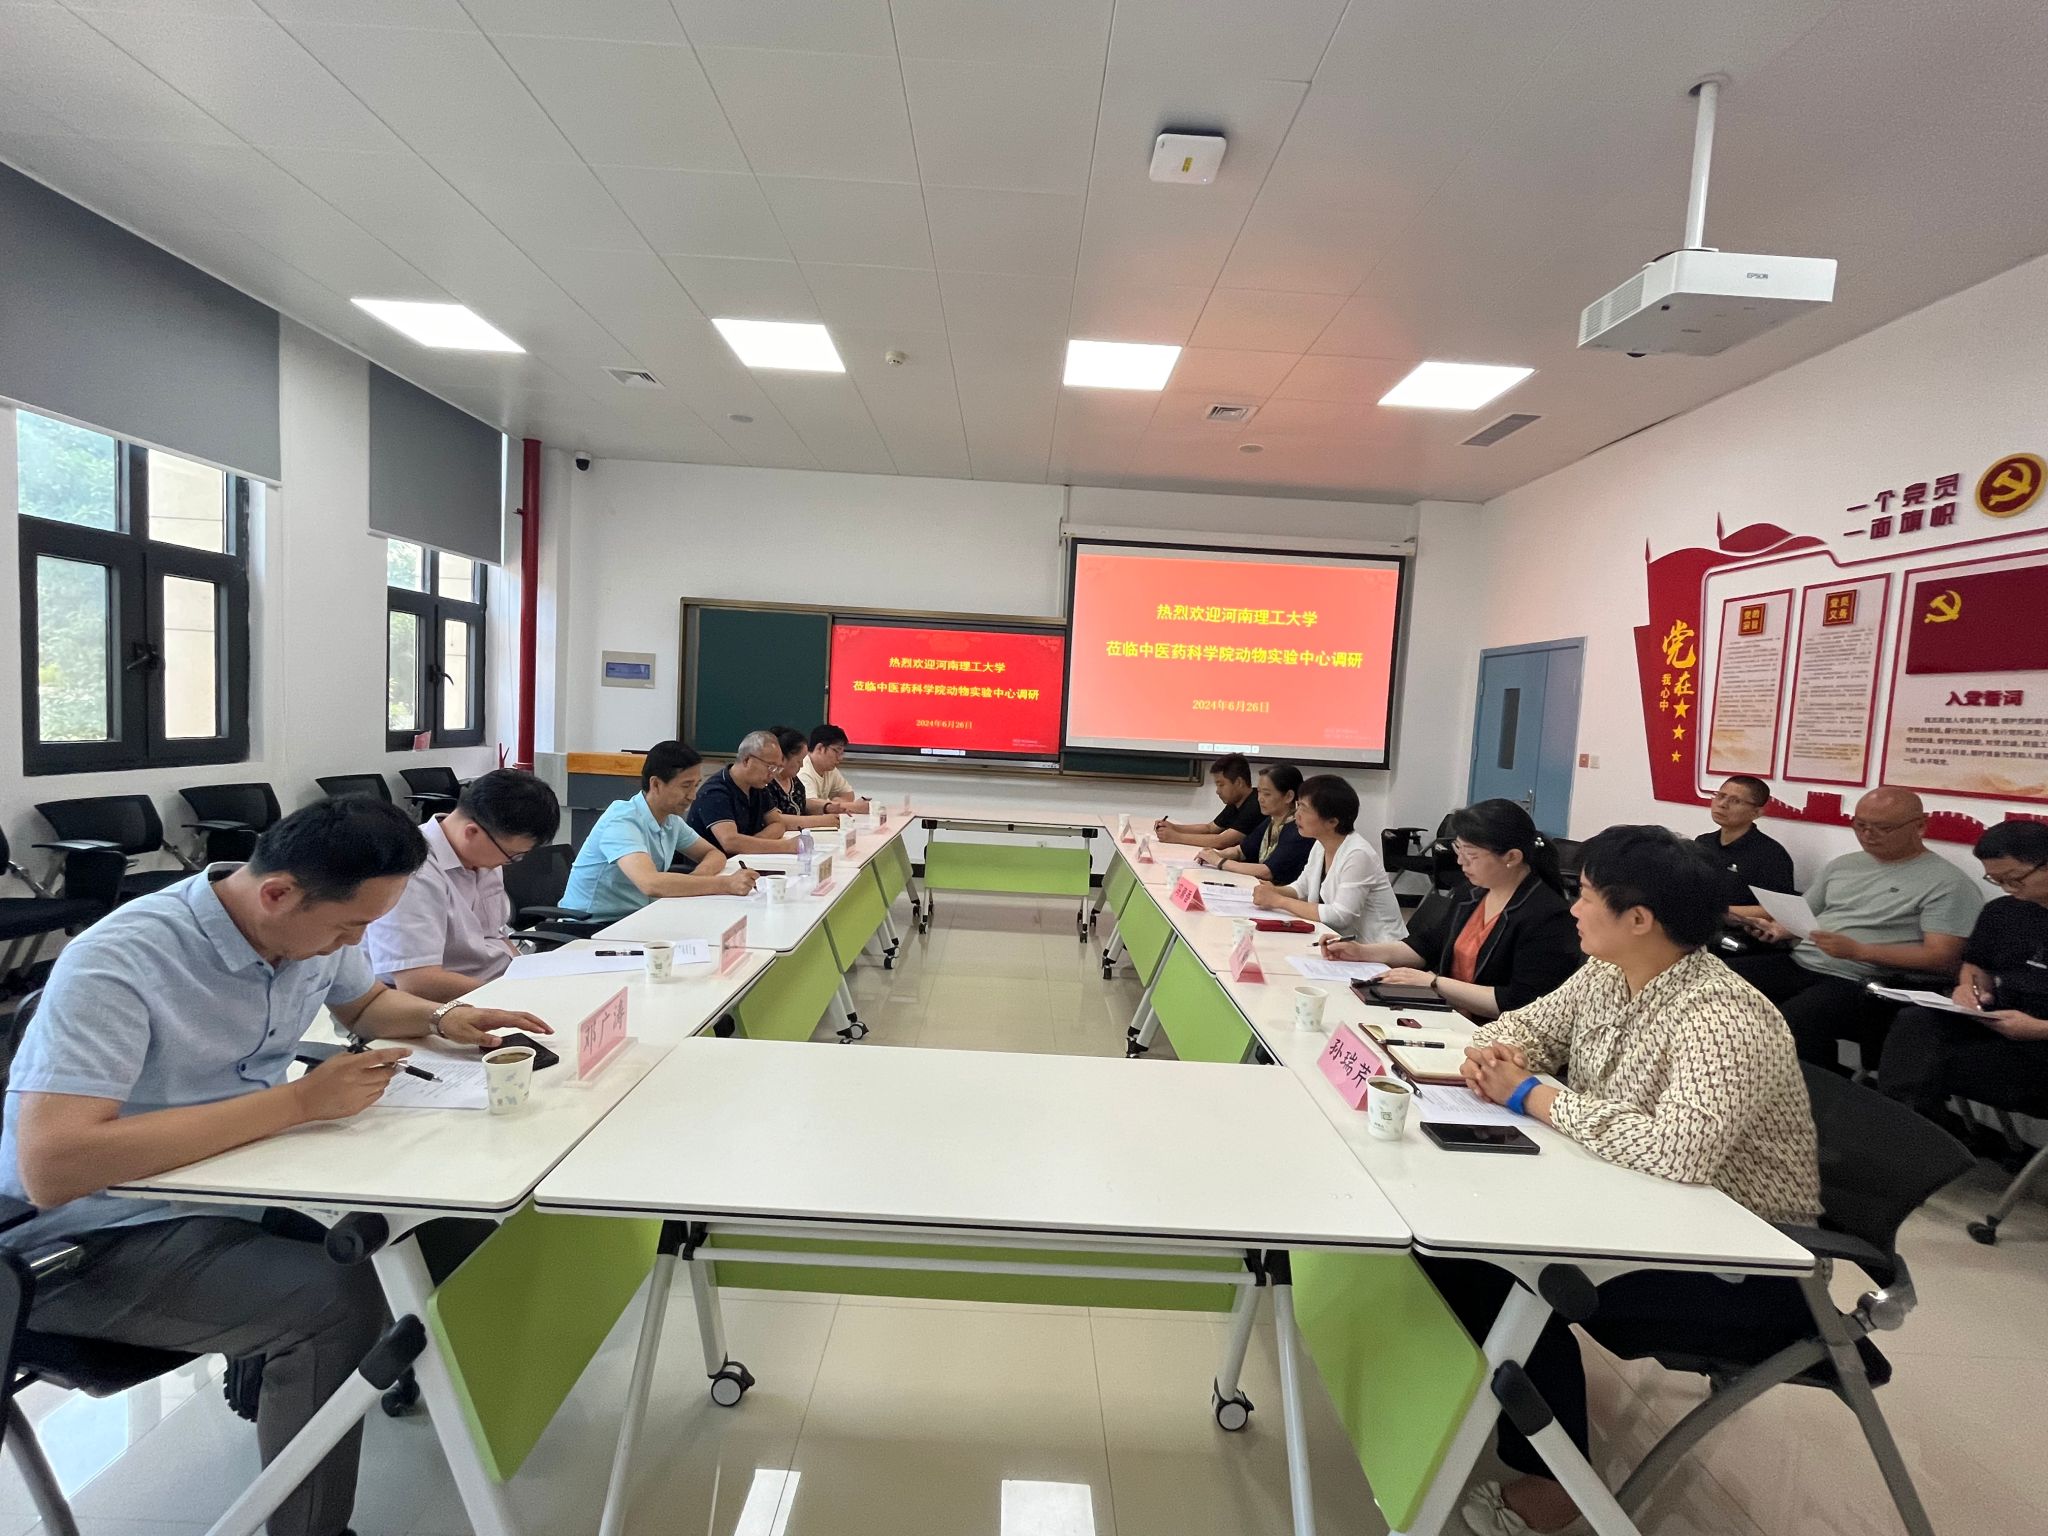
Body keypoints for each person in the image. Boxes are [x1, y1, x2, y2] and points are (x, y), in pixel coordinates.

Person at [0, 798, 551, 1536]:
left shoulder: (312, 927)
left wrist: (442, 1019)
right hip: (90, 1241)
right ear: (278, 894)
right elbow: (54, 1165)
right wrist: (296, 1104)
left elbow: (366, 1004)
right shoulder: (121, 961)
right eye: (348, 929)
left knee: (448, 1222)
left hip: (237, 1186)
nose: (355, 943)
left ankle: (280, 1376)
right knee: (334, 1300)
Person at [1427, 825, 1820, 1536]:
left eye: (1584, 895)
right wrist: (1500, 1057)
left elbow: (1678, 1153)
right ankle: (1491, 1406)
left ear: (1638, 919)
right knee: (1453, 1242)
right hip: (1632, 1202)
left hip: (1736, 1260)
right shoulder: (1609, 971)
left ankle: (1557, 1481)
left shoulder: (1725, 1017)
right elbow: (1523, 1028)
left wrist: (1531, 1095)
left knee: (1506, 1269)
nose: (1572, 909)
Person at [1727, 787, 1981, 1070]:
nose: (1868, 835)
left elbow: (1943, 958)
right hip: (1802, 961)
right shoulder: (1843, 866)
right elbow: (1804, 915)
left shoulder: (1947, 883)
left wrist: (1859, 951)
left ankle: (1817, 1090)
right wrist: (1778, 929)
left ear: (1920, 825)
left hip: (1861, 979)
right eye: (1860, 825)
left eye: (1883, 828)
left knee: (1789, 1022)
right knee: (1714, 984)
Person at [1324, 799, 1581, 1019]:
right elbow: (1426, 946)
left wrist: (1435, 983)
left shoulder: (1547, 915)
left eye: (1471, 855)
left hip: (1491, 1032)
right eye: (1459, 849)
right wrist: (1361, 952)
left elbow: (1520, 1002)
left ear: (1512, 857)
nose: (1460, 862)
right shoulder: (1471, 893)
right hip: (1448, 1013)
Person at [1880, 819, 2048, 1136]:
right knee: (1916, 1022)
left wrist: (2038, 1029)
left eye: (2014, 879)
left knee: (1921, 1067)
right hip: (2003, 1021)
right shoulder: (2003, 911)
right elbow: (1975, 965)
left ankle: (1906, 1136)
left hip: (2040, 1042)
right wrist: (1968, 989)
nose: (2007, 889)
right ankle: (1908, 1133)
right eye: (1996, 880)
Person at [365, 768, 561, 1000]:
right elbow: (417, 982)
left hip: (497, 987)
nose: (510, 862)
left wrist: (529, 978)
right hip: (449, 1002)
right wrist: (511, 995)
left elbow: (496, 935)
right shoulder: (412, 870)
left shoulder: (483, 855)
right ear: (472, 832)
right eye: (513, 855)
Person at [563, 741, 756, 920]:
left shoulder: (671, 820)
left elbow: (713, 854)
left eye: (696, 785)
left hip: (638, 917)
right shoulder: (622, 821)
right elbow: (650, 883)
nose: (692, 796)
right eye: (686, 786)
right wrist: (725, 884)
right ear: (655, 784)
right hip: (592, 925)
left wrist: (697, 879)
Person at [1250, 774, 1403, 941]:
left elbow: (1340, 915)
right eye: (1298, 805)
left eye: (1305, 809)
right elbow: (1301, 888)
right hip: (1340, 941)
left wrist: (1279, 901)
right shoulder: (1320, 844)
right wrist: (1273, 890)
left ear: (1332, 822)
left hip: (1378, 947)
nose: (1297, 815)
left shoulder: (1358, 854)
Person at [686, 730, 804, 855]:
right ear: (747, 760)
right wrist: (785, 846)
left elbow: (778, 824)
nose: (772, 774)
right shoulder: (715, 792)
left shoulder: (758, 786)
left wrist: (753, 843)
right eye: (770, 767)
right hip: (715, 863)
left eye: (777, 768)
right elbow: (730, 842)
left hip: (744, 859)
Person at [1194, 763, 1311, 884]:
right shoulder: (1272, 820)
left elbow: (1267, 871)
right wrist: (1217, 854)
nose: (1260, 798)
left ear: (1289, 796)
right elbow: (1241, 851)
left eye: (1267, 794)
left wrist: (1220, 861)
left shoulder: (1299, 829)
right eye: (1259, 792)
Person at [1696, 775, 1796, 914]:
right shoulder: (1703, 842)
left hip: (1737, 925)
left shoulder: (1771, 855)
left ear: (1756, 813)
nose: (1722, 804)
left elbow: (1777, 910)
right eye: (1720, 796)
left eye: (1735, 801)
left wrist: (1718, 912)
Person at [1153, 753, 1266, 850]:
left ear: (1239, 782)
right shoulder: (1235, 802)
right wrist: (1174, 827)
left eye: (1221, 785)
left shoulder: (1256, 804)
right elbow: (1210, 828)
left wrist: (1176, 837)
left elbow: (1222, 841)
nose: (1217, 791)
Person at [765, 726, 841, 831]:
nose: (801, 765)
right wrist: (821, 821)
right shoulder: (766, 783)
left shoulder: (796, 783)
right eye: (799, 761)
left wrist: (826, 807)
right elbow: (774, 819)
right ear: (782, 758)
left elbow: (803, 804)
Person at [798, 723, 870, 814]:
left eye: (842, 753)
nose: (840, 758)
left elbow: (848, 794)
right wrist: (854, 807)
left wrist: (837, 803)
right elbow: (811, 805)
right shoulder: (802, 769)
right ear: (820, 748)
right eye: (837, 751)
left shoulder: (829, 769)